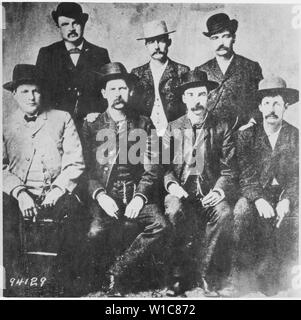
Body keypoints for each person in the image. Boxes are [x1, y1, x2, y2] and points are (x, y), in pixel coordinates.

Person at [81, 62, 167, 296]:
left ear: (129, 91)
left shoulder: (143, 123)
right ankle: (96, 279)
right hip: (106, 195)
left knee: (160, 224)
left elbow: (154, 167)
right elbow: (86, 170)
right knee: (95, 231)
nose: (117, 94)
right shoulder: (92, 124)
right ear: (103, 93)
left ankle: (117, 271)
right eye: (112, 89)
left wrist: (140, 197)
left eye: (122, 89)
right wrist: (100, 196)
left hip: (135, 192)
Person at [3, 64, 86, 296]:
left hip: (57, 191)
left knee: (75, 219)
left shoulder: (62, 118)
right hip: (18, 194)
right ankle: (18, 285)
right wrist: (19, 193)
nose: (31, 96)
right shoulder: (4, 123)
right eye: (25, 91)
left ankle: (60, 286)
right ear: (15, 94)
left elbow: (75, 161)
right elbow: (0, 168)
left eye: (36, 91)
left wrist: (58, 189)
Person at [162, 69, 237, 296]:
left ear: (209, 97)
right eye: (192, 95)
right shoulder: (173, 127)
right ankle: (178, 277)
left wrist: (219, 191)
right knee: (174, 210)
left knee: (223, 213)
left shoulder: (222, 126)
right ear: (184, 99)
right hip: (180, 191)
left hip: (208, 193)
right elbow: (164, 168)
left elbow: (229, 168)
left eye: (201, 95)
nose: (197, 101)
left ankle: (206, 275)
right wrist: (172, 185)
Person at [229, 76, 299, 297]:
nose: (272, 109)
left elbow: (297, 177)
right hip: (254, 193)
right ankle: (238, 277)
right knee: (241, 210)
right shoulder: (246, 135)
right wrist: (258, 199)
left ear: (286, 106)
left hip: (284, 194)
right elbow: (246, 175)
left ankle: (285, 277)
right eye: (267, 103)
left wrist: (287, 199)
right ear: (259, 107)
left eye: (277, 103)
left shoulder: (294, 135)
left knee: (296, 218)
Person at [36, 2, 111, 128]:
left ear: (83, 23)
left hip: (93, 124)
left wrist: (99, 114)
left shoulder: (100, 53)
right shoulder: (47, 54)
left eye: (75, 23)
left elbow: (109, 89)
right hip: (57, 125)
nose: (71, 28)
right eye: (65, 24)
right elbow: (39, 91)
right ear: (58, 26)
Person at [195, 13, 263, 128]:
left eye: (225, 36)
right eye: (215, 38)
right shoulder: (201, 70)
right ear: (210, 41)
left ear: (234, 38)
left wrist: (252, 123)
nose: (220, 43)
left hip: (242, 133)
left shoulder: (250, 67)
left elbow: (261, 100)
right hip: (210, 134)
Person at [131, 20, 190, 137]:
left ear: (169, 42)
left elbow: (189, 107)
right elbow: (131, 109)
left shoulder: (182, 71)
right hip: (144, 136)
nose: (156, 46)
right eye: (151, 42)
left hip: (175, 135)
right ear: (146, 45)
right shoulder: (136, 74)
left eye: (161, 40)